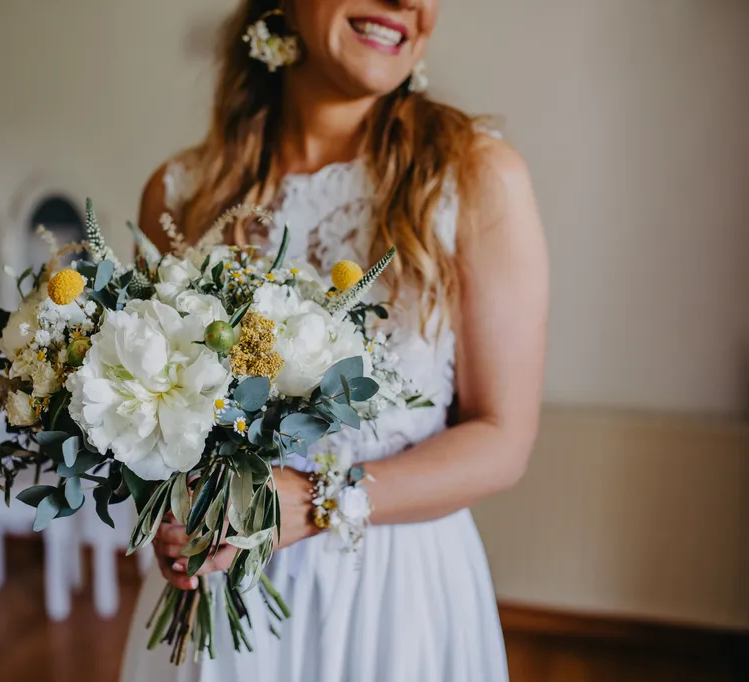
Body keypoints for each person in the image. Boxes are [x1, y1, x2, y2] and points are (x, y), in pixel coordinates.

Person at [120, 1, 548, 679]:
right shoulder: (182, 195)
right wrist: (173, 516)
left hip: (395, 598)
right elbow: (150, 413)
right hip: (222, 594)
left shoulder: (475, 178)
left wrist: (321, 499)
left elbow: (503, 439)